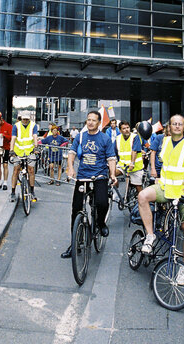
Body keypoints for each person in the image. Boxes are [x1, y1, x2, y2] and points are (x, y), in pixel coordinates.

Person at [137, 115, 184, 281]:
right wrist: (156, 174)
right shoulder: (164, 142)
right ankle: (150, 235)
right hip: (165, 188)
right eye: (174, 124)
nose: (177, 126)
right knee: (142, 196)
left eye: (180, 124)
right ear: (170, 127)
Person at [60, 110, 117, 259]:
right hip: (83, 177)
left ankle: (100, 223)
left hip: (99, 176)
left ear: (99, 123)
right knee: (76, 209)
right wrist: (71, 168)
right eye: (88, 120)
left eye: (93, 120)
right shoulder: (80, 137)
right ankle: (74, 244)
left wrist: (112, 174)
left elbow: (111, 158)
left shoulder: (105, 139)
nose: (90, 122)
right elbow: (72, 153)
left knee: (102, 203)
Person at [9, 111, 39, 203]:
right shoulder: (16, 126)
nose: (25, 121)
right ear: (21, 118)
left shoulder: (33, 125)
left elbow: (35, 136)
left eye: (27, 119)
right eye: (24, 119)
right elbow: (13, 138)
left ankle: (32, 191)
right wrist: (11, 150)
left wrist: (36, 147)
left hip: (30, 150)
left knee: (31, 170)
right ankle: (13, 192)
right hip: (18, 151)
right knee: (16, 170)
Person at [115, 120, 145, 194]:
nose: (126, 130)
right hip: (123, 166)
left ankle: (143, 201)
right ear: (120, 130)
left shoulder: (135, 137)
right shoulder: (118, 139)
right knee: (112, 173)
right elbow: (114, 152)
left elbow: (134, 151)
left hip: (135, 167)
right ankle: (115, 185)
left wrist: (132, 163)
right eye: (124, 128)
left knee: (138, 188)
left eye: (127, 127)